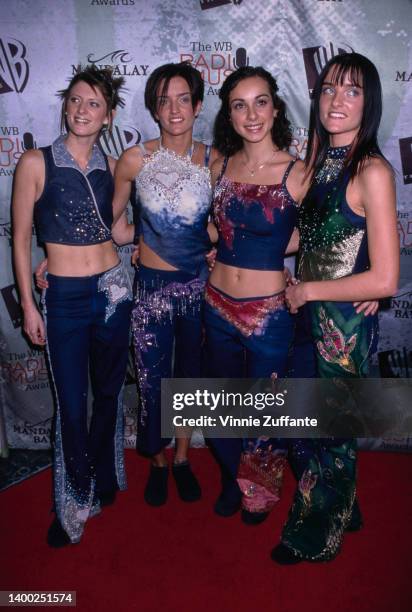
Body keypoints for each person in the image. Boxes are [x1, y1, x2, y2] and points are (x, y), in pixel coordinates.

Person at [271, 52, 399, 564]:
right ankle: (344, 504)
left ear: (369, 103)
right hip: (311, 317)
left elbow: (386, 277)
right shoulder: (322, 162)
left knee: (330, 425)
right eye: (328, 89)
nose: (336, 101)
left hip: (342, 323)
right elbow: (313, 236)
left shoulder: (372, 170)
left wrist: (309, 291)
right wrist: (244, 250)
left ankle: (317, 533)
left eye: (351, 91)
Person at [12, 66, 133, 547]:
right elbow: (20, 240)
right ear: (66, 105)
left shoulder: (116, 167)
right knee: (71, 404)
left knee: (108, 394)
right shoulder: (35, 162)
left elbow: (120, 231)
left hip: (114, 289)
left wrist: (178, 237)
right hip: (62, 296)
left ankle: (104, 472)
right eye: (76, 100)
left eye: (94, 104)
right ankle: (75, 498)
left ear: (109, 116)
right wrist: (28, 303)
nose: (82, 110)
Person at [112, 62, 218, 506]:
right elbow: (114, 222)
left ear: (197, 105)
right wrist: (141, 239)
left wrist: (199, 242)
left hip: (197, 287)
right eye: (163, 100)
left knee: (189, 377)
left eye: (182, 99)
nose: (174, 109)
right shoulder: (137, 158)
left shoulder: (215, 161)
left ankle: (180, 457)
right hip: (151, 289)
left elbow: (221, 226)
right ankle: (156, 460)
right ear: (154, 109)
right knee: (154, 380)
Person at [205, 66, 308, 520]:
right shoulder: (218, 167)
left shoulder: (299, 172)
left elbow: (322, 235)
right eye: (239, 105)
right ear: (228, 115)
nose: (251, 114)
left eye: (260, 101)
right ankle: (232, 477)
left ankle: (260, 489)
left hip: (268, 314)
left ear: (276, 108)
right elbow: (209, 229)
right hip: (216, 305)